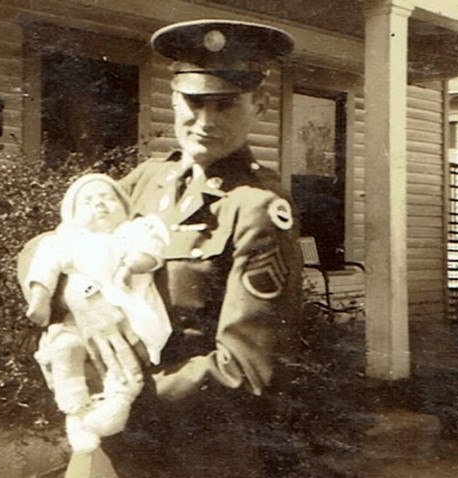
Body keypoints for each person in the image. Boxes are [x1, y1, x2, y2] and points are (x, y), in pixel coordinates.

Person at [19, 19, 304, 478]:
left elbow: (245, 368)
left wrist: (124, 398)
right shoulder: (146, 182)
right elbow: (46, 244)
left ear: (261, 104)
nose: (206, 122)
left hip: (193, 450)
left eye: (226, 105)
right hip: (113, 433)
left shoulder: (256, 209)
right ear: (173, 99)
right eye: (193, 103)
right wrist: (80, 295)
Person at [22, 173, 172, 453]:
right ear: (72, 216)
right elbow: (44, 261)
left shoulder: (133, 230)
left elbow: (153, 251)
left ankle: (118, 401)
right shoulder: (68, 239)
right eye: (88, 202)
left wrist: (130, 266)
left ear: (125, 207)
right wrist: (41, 295)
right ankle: (76, 411)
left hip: (130, 309)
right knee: (65, 349)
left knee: (122, 357)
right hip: (76, 320)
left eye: (108, 198)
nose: (99, 205)